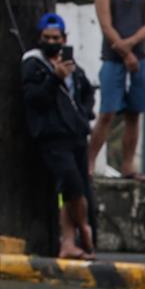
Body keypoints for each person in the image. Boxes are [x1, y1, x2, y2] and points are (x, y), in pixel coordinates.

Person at [20, 13, 98, 260]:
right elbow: (34, 99)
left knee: (77, 189)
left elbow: (87, 93)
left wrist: (84, 116)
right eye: (47, 38)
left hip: (75, 134)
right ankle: (83, 228)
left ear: (64, 39)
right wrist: (55, 78)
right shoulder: (34, 64)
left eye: (56, 38)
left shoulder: (72, 66)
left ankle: (68, 242)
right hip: (52, 137)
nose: (52, 42)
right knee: (71, 185)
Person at [86, 0, 145, 179]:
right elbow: (106, 26)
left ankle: (128, 165)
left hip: (142, 59)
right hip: (113, 59)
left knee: (134, 114)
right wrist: (125, 52)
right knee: (107, 112)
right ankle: (89, 163)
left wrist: (130, 45)